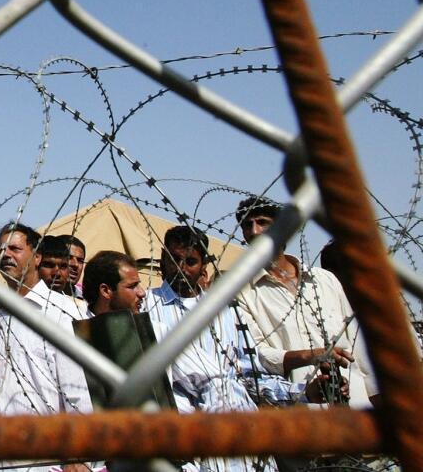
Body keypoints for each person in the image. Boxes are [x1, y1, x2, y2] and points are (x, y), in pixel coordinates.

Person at [232, 196, 374, 406]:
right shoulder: (243, 292)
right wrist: (312, 356)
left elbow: (356, 342)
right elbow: (259, 355)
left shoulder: (324, 280)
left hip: (355, 401)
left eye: (262, 222)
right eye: (247, 225)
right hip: (303, 407)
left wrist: (377, 396)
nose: (254, 232)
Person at [0, 222, 94, 472]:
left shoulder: (63, 313)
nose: (6, 256)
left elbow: (79, 391)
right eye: (1, 250)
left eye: (15, 249)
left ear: (37, 256)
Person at [146, 226, 258, 472]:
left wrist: (301, 391)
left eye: (190, 261)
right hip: (180, 438)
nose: (181, 268)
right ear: (163, 259)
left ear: (204, 264)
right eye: (174, 260)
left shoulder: (224, 311)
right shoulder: (146, 306)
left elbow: (247, 373)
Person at [84, 251, 146, 316]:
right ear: (105, 291)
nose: (142, 293)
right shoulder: (77, 324)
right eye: (132, 286)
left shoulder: (153, 325)